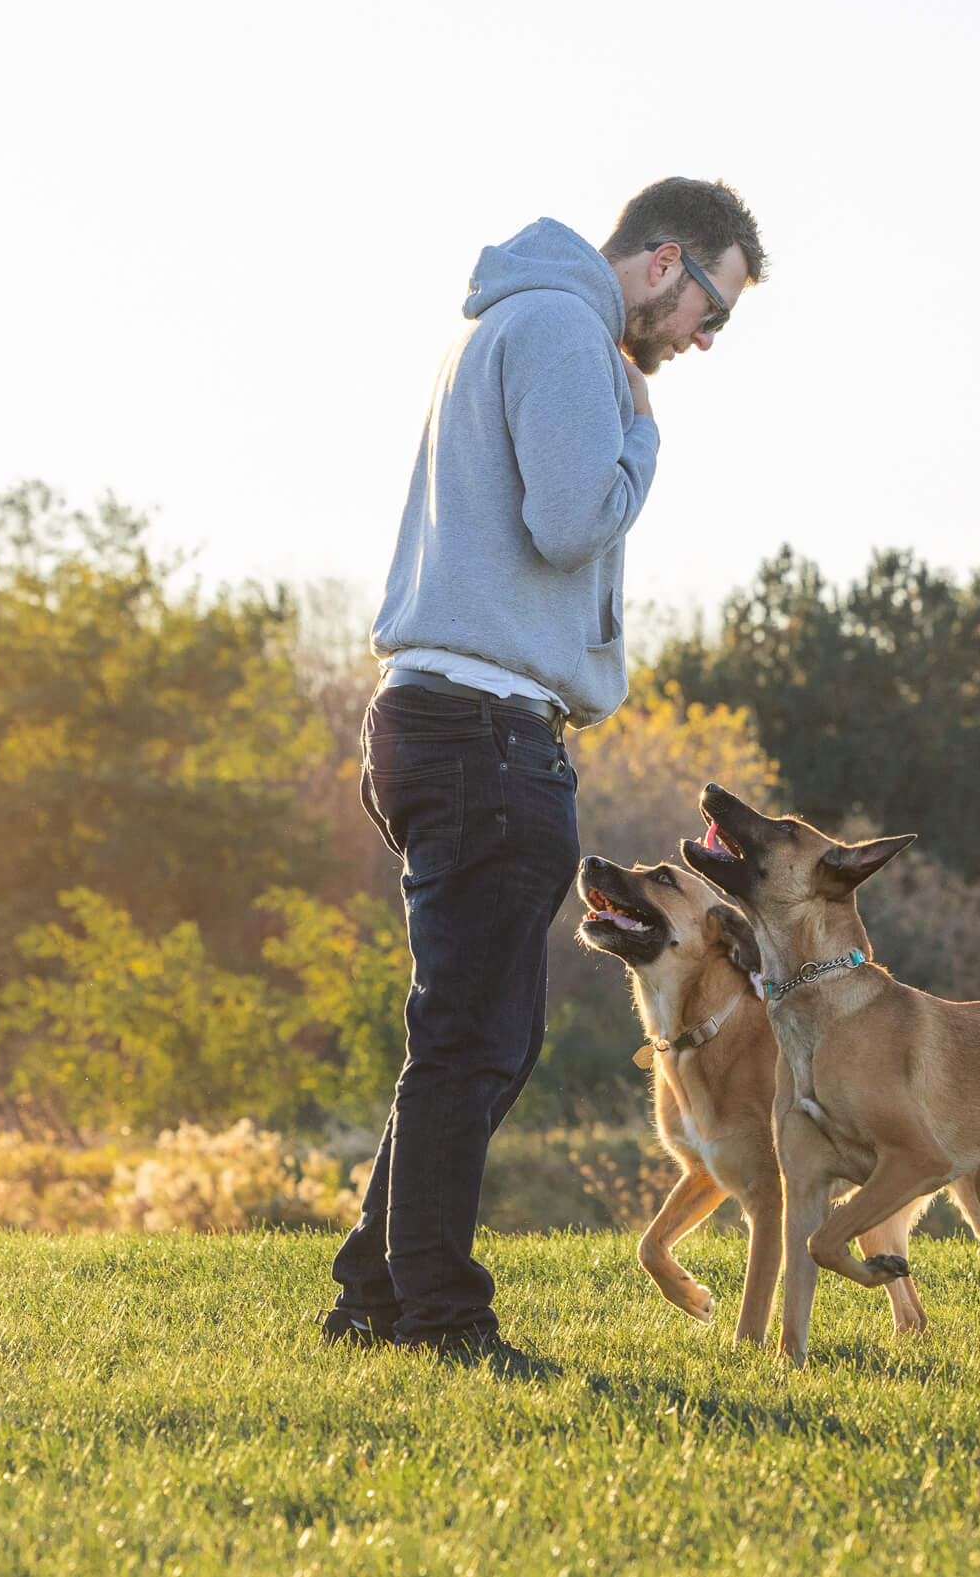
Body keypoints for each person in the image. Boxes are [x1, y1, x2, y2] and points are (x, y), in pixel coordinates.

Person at [319, 178, 766, 1357]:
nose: (704, 340)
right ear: (663, 262)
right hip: (484, 731)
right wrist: (644, 431)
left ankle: (374, 1296)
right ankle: (440, 1316)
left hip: (432, 717)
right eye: (710, 307)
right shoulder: (567, 328)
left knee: (469, 1033)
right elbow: (573, 520)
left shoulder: (504, 321)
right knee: (478, 1038)